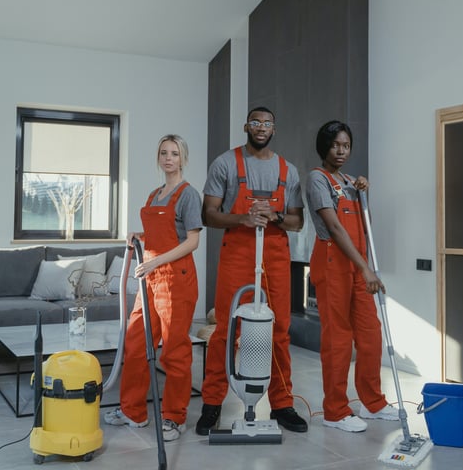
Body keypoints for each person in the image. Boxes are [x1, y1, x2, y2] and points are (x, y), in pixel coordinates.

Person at [195, 107, 308, 435]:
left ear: (274, 129)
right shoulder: (225, 163)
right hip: (237, 252)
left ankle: (282, 404)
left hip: (275, 255)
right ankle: (212, 404)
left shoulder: (288, 170)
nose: (261, 127)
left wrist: (275, 216)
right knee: (226, 329)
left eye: (267, 123)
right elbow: (208, 214)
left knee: (280, 329)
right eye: (256, 122)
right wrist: (243, 218)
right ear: (246, 126)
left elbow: (298, 222)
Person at [104, 134, 202, 442]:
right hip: (150, 277)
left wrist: (156, 261)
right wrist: (140, 236)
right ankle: (133, 411)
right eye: (163, 153)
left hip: (175, 279)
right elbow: (161, 234)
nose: (168, 158)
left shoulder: (188, 195)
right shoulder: (154, 195)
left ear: (183, 158)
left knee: (174, 350)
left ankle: (174, 417)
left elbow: (192, 241)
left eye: (174, 153)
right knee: (136, 344)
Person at [305, 120, 402, 432]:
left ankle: (373, 403)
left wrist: (362, 193)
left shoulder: (349, 181)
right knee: (338, 339)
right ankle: (335, 411)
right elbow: (334, 227)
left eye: (346, 145)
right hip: (333, 262)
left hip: (358, 264)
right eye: (335, 145)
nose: (341, 151)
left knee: (370, 334)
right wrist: (365, 268)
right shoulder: (317, 179)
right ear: (324, 147)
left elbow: (363, 225)